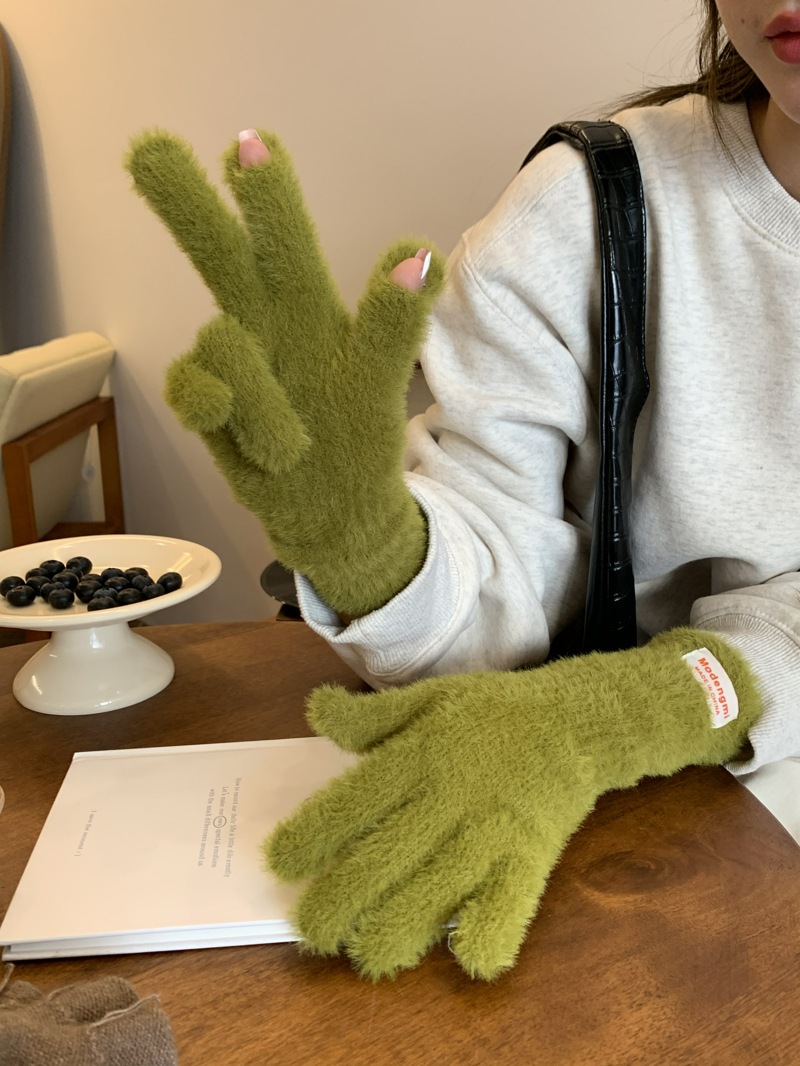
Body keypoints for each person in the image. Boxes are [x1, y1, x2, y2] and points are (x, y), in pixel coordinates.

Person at [126, 0, 800, 980]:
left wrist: (620, 714)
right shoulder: (590, 202)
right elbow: (494, 570)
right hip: (564, 832)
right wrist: (373, 550)